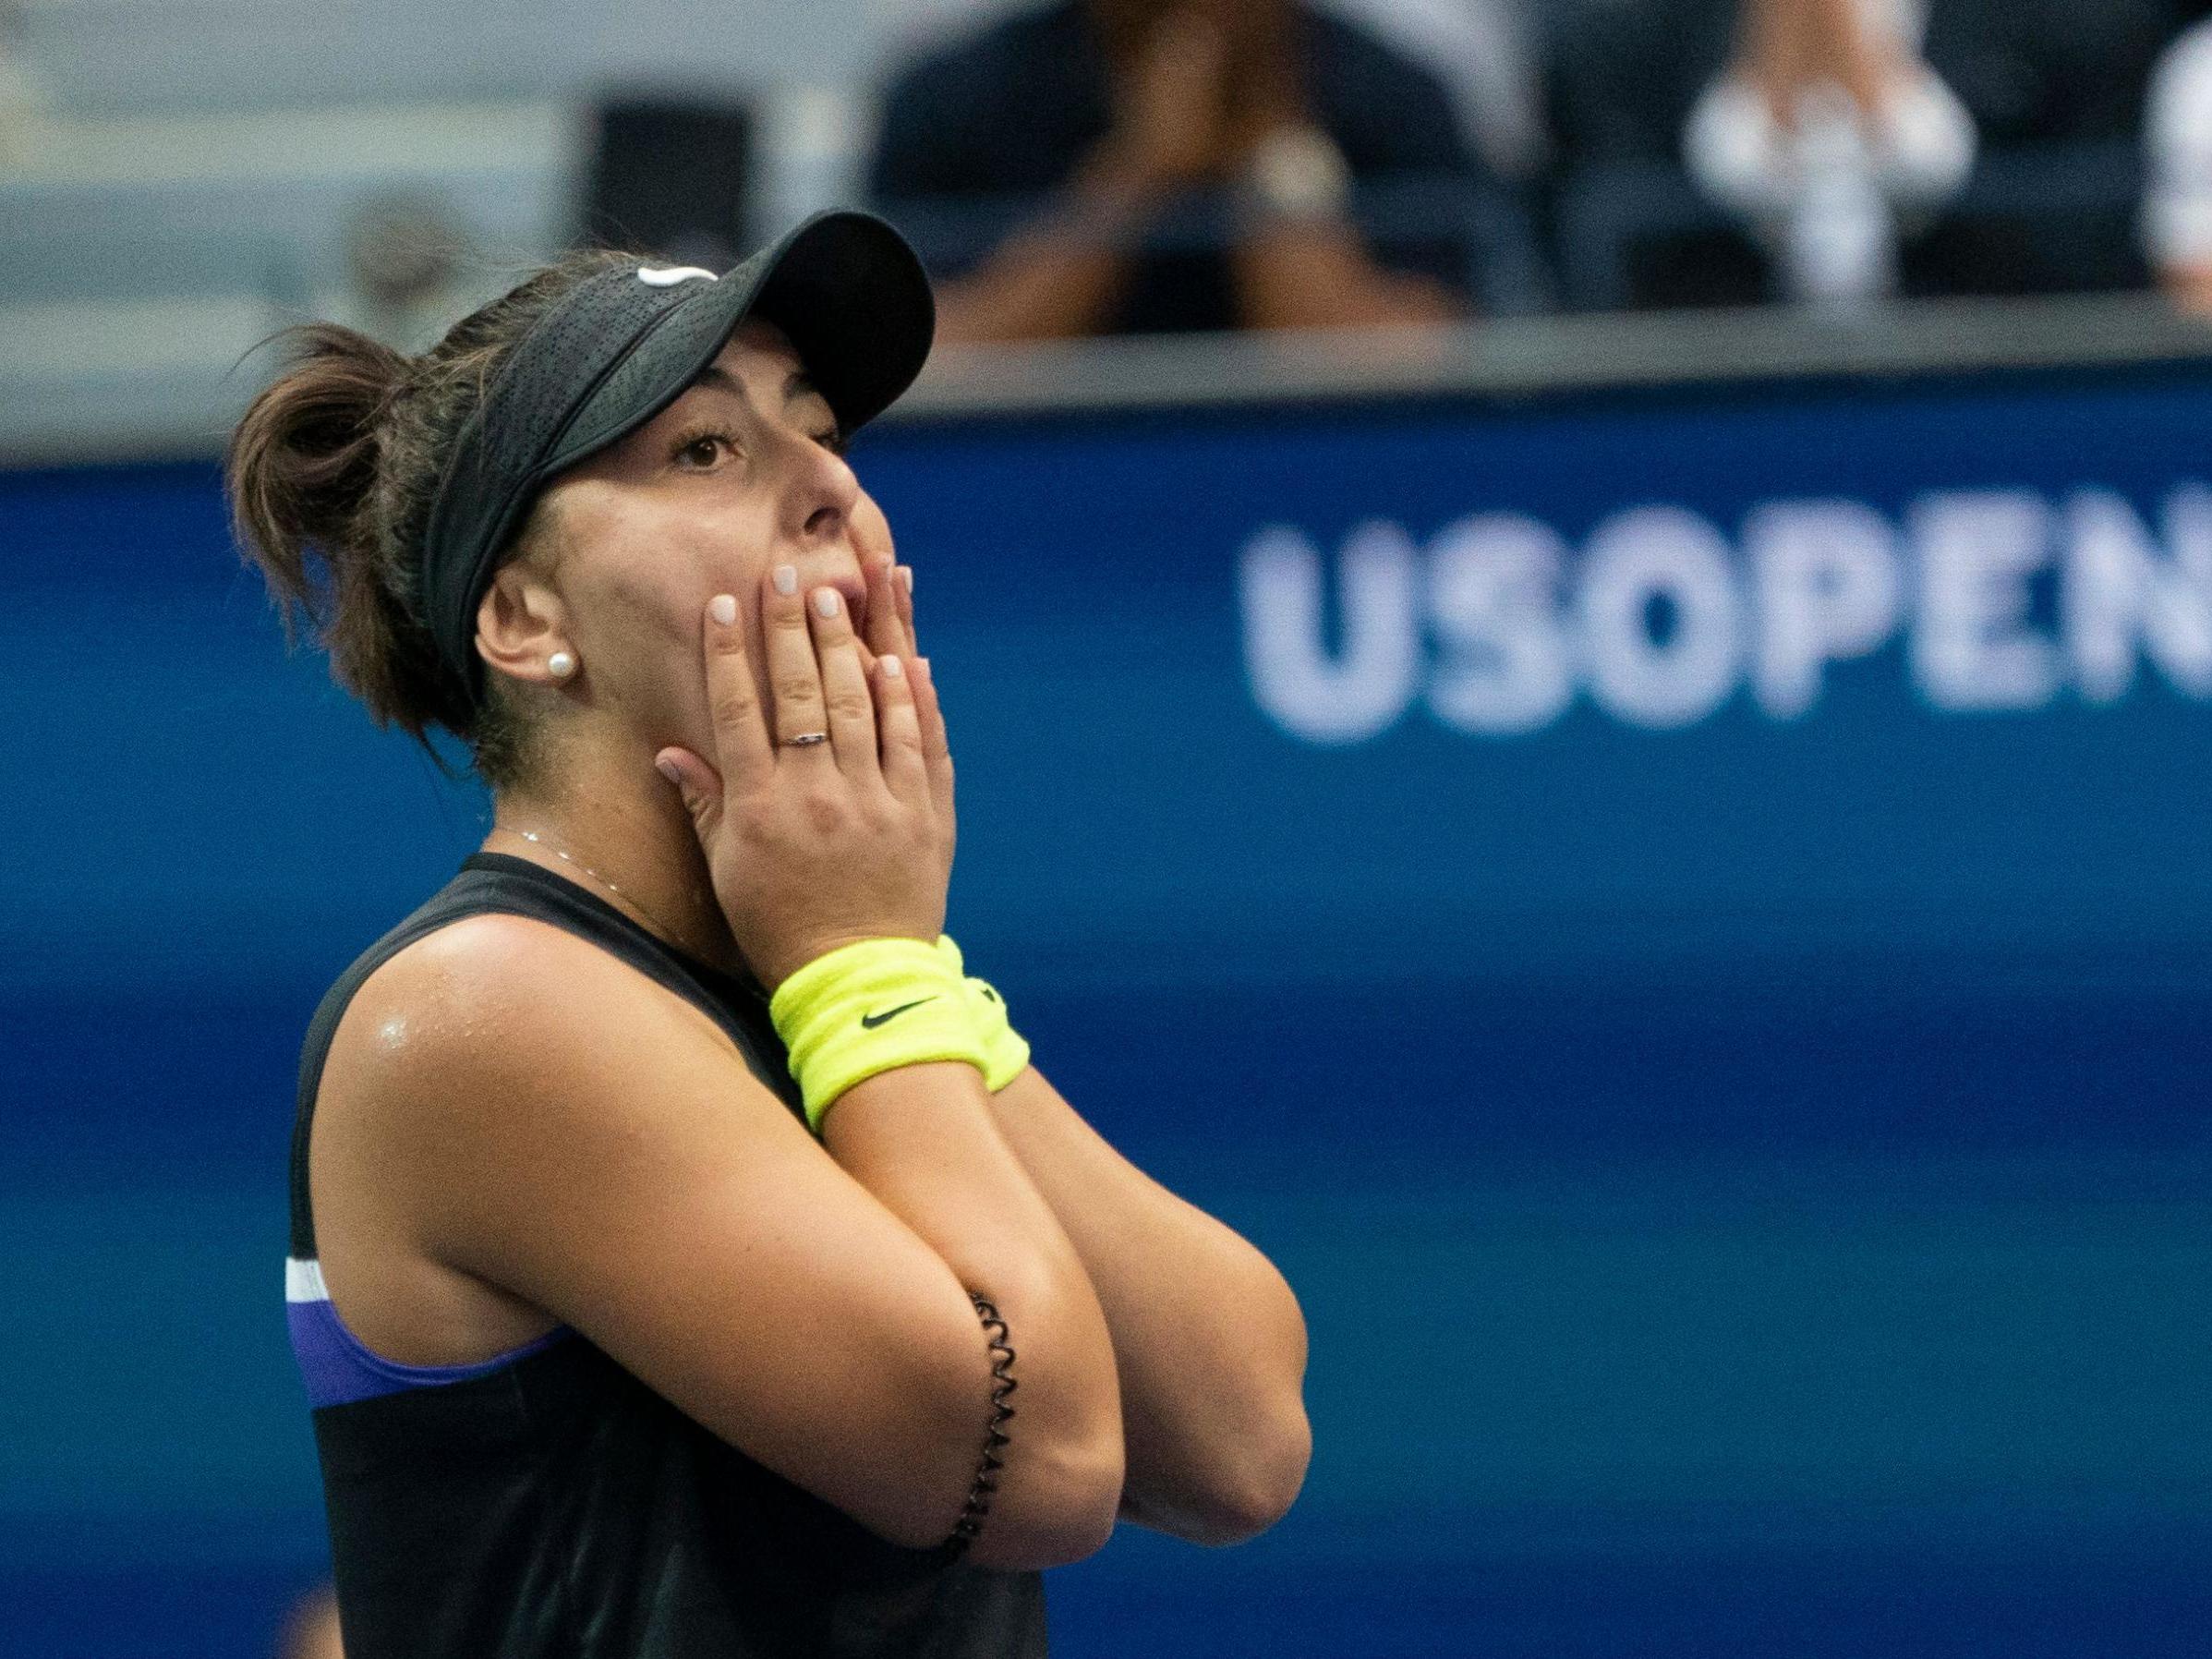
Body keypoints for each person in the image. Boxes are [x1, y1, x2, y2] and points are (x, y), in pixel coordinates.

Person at [226, 209, 1311, 1657]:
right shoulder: (489, 1012)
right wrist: (864, 965)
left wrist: (881, 967)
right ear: (522, 616)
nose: (828, 487)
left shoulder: (822, 980)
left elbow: (1238, 1445)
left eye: (824, 433)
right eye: (705, 450)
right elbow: (1040, 1463)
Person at [867, 0, 1486, 337]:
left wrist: (1263, 149)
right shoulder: (952, 99)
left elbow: (1404, 374)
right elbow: (935, 372)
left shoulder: (1399, 97)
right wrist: (1136, 171)